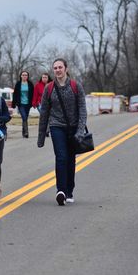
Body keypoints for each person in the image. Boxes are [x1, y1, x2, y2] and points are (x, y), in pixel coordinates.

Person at [37, 58, 87, 206]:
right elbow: (44, 112)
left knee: (71, 160)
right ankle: (61, 191)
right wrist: (41, 137)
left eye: (60, 67)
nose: (58, 70)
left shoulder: (75, 86)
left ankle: (69, 191)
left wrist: (80, 131)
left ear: (66, 68)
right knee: (61, 157)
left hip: (73, 128)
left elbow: (82, 110)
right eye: (55, 68)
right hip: (56, 126)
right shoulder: (49, 88)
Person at [12, 70, 34, 138]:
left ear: (27, 76)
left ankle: (23, 132)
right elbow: (15, 94)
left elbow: (33, 94)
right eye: (23, 75)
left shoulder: (30, 84)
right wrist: (14, 103)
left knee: (25, 118)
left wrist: (33, 102)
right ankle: (26, 132)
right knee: (24, 117)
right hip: (20, 103)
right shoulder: (18, 84)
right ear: (21, 76)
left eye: (26, 75)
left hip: (28, 104)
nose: (24, 76)